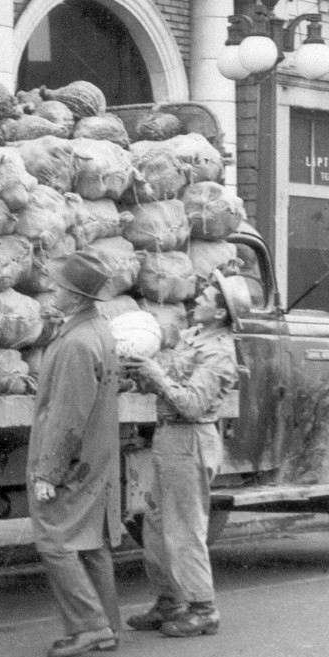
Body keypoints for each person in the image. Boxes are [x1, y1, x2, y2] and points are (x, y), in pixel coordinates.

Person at [121, 272, 247, 638]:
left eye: (207, 298)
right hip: (170, 438)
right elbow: (173, 381)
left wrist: (155, 374)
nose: (198, 300)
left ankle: (203, 608)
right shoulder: (196, 338)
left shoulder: (220, 354)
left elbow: (191, 404)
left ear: (221, 314)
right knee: (157, 524)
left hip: (189, 439)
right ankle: (169, 601)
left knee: (184, 528)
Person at [27, 251, 123, 657]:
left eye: (58, 286)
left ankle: (89, 627)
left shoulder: (77, 344)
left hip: (74, 460)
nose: (51, 290)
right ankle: (108, 625)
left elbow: (68, 416)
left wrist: (49, 471)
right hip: (96, 456)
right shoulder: (96, 331)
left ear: (76, 295)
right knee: (90, 540)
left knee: (53, 537)